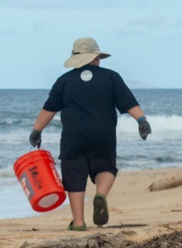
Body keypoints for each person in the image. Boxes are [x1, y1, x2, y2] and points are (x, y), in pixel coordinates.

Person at [29, 37, 150, 231]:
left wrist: (37, 130)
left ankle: (78, 223)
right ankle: (100, 194)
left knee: (74, 172)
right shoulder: (111, 77)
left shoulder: (64, 81)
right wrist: (142, 121)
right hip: (104, 135)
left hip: (73, 137)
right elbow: (129, 104)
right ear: (96, 57)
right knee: (106, 167)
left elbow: (49, 110)